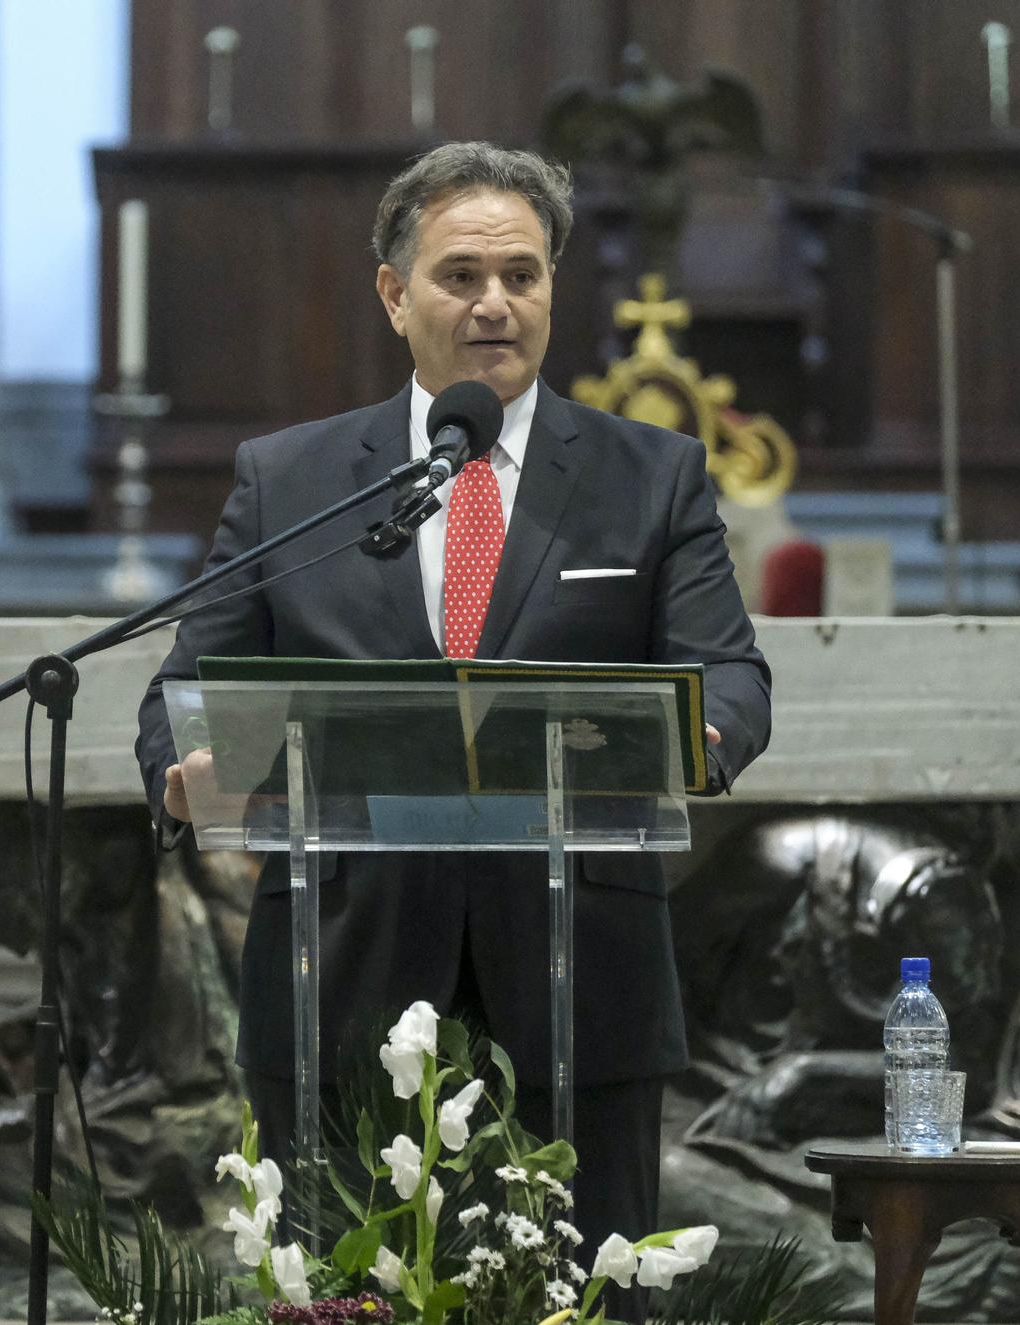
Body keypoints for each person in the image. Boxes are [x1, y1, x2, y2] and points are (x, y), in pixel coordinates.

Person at [133, 141, 772, 1289]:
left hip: (582, 961)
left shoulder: (651, 473)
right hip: (344, 955)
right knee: (340, 1290)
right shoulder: (292, 479)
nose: (494, 304)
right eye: (460, 275)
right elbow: (189, 680)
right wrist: (183, 766)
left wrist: (701, 741)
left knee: (584, 1293)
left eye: (522, 275)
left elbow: (727, 671)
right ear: (393, 292)